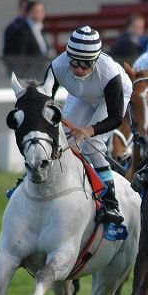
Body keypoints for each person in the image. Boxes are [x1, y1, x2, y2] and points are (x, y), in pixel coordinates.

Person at [44, 26, 133, 223]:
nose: (78, 69)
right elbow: (44, 102)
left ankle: (111, 203)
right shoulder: (57, 66)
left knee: (93, 146)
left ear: (96, 60)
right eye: (74, 62)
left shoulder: (109, 74)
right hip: (82, 96)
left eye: (85, 64)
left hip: (109, 100)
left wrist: (88, 130)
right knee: (65, 138)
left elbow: (115, 118)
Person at [3, 0, 51, 78]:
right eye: (36, 11)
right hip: (29, 75)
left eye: (42, 11)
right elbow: (20, 55)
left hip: (40, 72)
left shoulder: (39, 28)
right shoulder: (22, 31)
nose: (39, 14)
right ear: (29, 12)